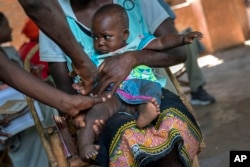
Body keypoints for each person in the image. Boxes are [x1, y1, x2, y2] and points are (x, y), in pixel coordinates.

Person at [38, 1, 203, 167]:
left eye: (106, 37)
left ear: (125, 34)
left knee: (169, 119)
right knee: (120, 130)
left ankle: (146, 110)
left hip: (144, 90)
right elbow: (67, 90)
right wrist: (82, 109)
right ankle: (87, 145)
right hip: (110, 101)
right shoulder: (50, 13)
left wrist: (132, 58)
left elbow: (173, 50)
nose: (100, 42)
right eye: (95, 37)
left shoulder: (137, 34)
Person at [153, 0, 215, 105]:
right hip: (150, 49)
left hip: (166, 43)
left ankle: (197, 90)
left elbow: (171, 25)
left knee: (189, 38)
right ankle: (167, 102)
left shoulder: (156, 2)